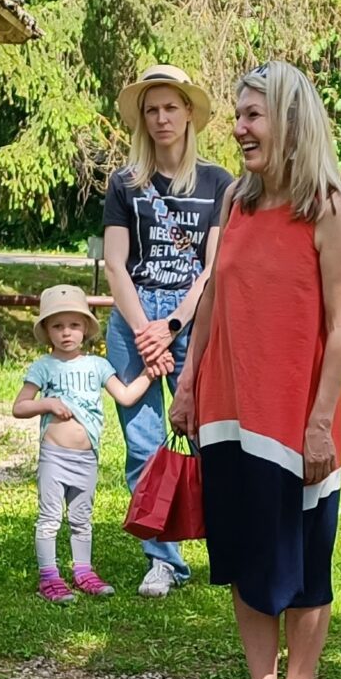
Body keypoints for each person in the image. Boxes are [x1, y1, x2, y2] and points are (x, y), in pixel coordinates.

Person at [169, 62, 341, 679]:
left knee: (306, 558)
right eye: (240, 114)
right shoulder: (236, 202)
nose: (239, 127)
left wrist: (318, 422)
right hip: (229, 408)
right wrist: (190, 382)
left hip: (294, 420)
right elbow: (215, 298)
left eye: (253, 115)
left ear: (290, 121)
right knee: (245, 550)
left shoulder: (330, 208)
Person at [102, 64, 231, 596]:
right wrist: (145, 332)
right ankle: (163, 558)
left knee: (209, 436)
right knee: (143, 443)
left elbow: (215, 267)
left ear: (189, 114)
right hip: (134, 316)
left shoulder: (219, 182)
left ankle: (227, 545)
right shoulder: (124, 183)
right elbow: (115, 263)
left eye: (170, 108)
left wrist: (172, 324)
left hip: (193, 319)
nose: (161, 119)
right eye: (151, 110)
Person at [16, 284, 155, 602]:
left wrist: (149, 374)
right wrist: (47, 404)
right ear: (47, 331)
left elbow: (126, 395)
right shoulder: (43, 367)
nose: (67, 333)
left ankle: (83, 571)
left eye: (74, 325)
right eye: (58, 326)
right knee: (50, 517)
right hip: (54, 456)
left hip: (86, 457)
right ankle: (49, 577)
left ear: (86, 328)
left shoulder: (98, 366)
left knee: (81, 519)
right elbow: (19, 406)